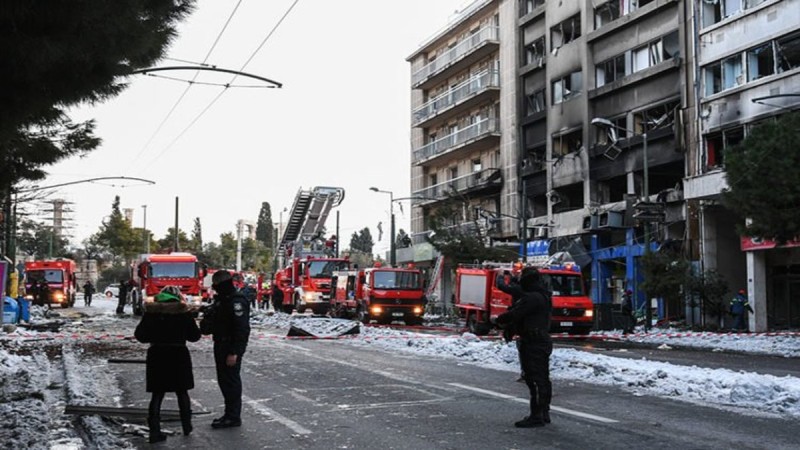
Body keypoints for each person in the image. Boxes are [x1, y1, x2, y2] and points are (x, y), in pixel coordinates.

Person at [134, 287, 201, 443]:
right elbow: (194, 336)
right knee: (182, 391)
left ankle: (155, 431)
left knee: (157, 394)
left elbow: (140, 336)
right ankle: (186, 425)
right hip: (178, 354)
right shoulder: (183, 313)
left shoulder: (151, 313)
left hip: (157, 354)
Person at [496, 268, 553, 428]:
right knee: (542, 378)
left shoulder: (532, 298)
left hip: (533, 342)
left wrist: (499, 320)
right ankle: (543, 412)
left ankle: (537, 415)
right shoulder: (542, 295)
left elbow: (515, 314)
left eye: (522, 278)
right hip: (540, 340)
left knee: (534, 379)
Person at [200, 270, 251, 429]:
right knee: (224, 381)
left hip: (229, 346)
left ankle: (233, 416)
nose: (214, 289)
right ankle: (229, 414)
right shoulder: (222, 300)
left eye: (216, 285)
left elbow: (241, 329)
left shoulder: (236, 301)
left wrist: (235, 352)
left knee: (231, 382)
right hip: (221, 344)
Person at [495, 268, 526, 382]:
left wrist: (500, 276)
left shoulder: (521, 290)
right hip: (532, 326)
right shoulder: (536, 291)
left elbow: (503, 286)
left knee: (524, 351)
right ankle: (528, 374)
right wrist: (513, 277)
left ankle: (527, 374)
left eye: (520, 274)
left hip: (524, 326)